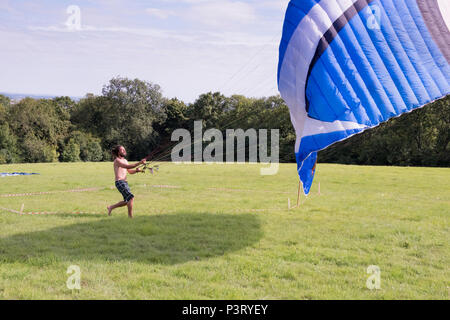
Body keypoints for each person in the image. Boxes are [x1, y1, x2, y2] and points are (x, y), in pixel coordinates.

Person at [107, 145, 146, 218]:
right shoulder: (117, 160)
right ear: (118, 152)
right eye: (122, 150)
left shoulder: (125, 160)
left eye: (124, 149)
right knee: (130, 197)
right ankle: (130, 217)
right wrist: (140, 163)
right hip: (119, 182)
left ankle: (111, 207)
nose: (124, 151)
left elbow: (130, 171)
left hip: (125, 182)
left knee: (127, 201)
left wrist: (137, 171)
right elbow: (128, 166)